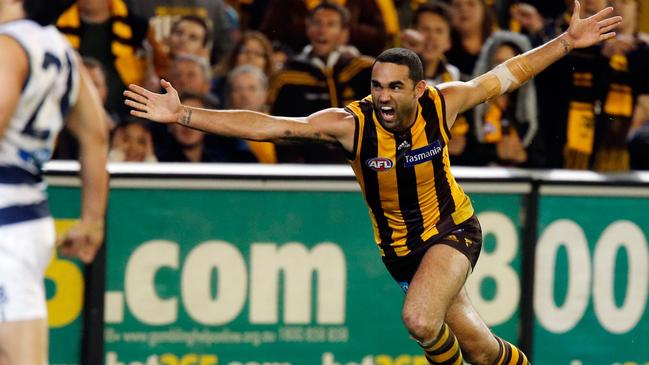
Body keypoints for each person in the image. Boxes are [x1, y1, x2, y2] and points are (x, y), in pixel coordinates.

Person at [125, 2, 620, 362]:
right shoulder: (350, 125)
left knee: (420, 320)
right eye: (377, 85)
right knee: (482, 352)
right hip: (400, 252)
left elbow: (506, 74)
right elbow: (270, 125)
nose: (383, 96)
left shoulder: (443, 102)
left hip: (453, 231)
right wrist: (186, 113)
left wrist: (565, 43)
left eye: (395, 87)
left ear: (419, 88)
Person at [0, 0, 109, 364]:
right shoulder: (62, 49)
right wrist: (92, 219)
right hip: (26, 214)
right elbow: (95, 136)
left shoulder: (9, 47)